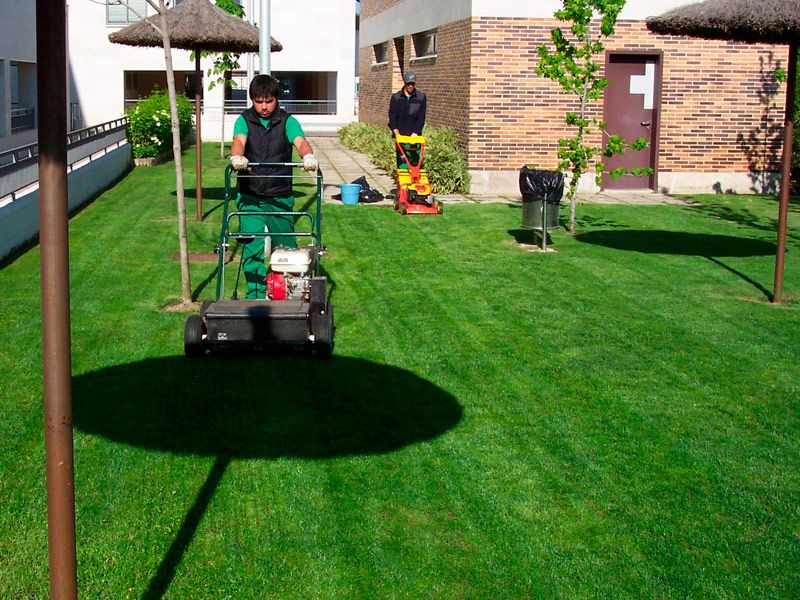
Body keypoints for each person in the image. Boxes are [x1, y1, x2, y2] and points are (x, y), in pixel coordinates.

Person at [230, 74, 318, 299]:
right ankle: (256, 295)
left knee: (286, 247)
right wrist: (237, 158)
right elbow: (239, 141)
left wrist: (307, 155)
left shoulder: (288, 121)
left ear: (276, 99)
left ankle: (292, 292)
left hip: (279, 196)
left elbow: (299, 141)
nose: (264, 106)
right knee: (252, 248)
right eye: (259, 101)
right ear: (252, 100)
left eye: (268, 101)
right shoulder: (244, 119)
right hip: (250, 196)